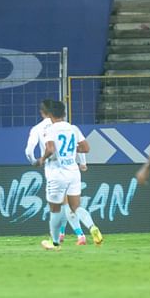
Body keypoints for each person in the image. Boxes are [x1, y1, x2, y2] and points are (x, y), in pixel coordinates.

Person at [37, 101, 103, 250]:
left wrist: (42, 158)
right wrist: (71, 150)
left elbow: (50, 148)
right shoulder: (73, 128)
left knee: (55, 209)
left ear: (50, 115)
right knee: (76, 207)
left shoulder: (50, 129)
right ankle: (92, 227)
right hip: (73, 172)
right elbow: (86, 148)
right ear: (64, 114)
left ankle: (54, 243)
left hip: (58, 173)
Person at [25, 99, 88, 245]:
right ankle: (64, 234)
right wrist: (83, 162)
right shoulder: (68, 127)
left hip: (54, 171)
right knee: (68, 204)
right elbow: (78, 144)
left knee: (58, 206)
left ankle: (76, 236)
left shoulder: (39, 129)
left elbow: (29, 150)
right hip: (71, 169)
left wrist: (35, 161)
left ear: (42, 112)